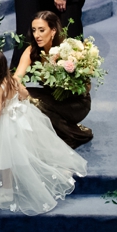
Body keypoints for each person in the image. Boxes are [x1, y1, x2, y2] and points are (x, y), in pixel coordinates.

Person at [0, 45, 87, 215]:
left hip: (4, 124)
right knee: (20, 152)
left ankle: (7, 191)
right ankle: (23, 179)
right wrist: (18, 103)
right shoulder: (12, 81)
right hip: (18, 120)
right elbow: (24, 94)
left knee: (4, 159)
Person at [14, 10, 94, 148]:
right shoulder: (32, 51)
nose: (36, 35)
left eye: (41, 30)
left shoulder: (68, 50)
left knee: (34, 101)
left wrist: (69, 83)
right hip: (54, 99)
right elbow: (17, 77)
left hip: (76, 103)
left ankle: (72, 135)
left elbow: (87, 87)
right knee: (23, 96)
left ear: (53, 31)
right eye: (34, 30)